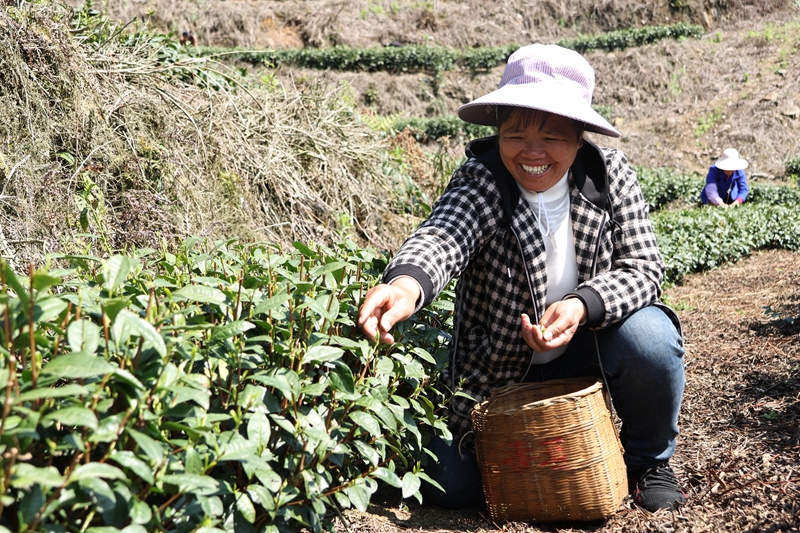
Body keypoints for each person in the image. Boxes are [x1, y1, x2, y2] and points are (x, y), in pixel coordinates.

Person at [357, 43, 686, 513]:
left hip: (588, 354)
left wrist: (580, 306)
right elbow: (445, 235)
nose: (532, 152)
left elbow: (644, 268)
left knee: (649, 336)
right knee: (451, 488)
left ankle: (648, 461)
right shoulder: (484, 180)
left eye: (552, 136)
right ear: (498, 134)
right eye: (515, 134)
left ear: (579, 139)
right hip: (499, 369)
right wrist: (406, 285)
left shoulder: (608, 175)